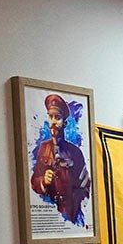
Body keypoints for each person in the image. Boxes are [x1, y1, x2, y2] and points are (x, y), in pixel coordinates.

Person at [30, 93, 90, 225]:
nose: (53, 122)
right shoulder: (43, 148)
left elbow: (86, 186)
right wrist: (43, 181)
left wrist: (74, 202)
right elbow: (34, 180)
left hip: (70, 215)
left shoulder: (75, 152)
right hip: (50, 214)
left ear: (65, 123)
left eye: (57, 118)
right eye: (50, 117)